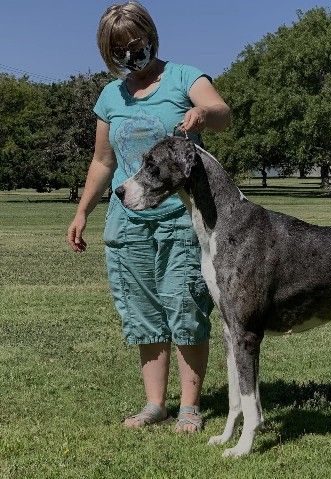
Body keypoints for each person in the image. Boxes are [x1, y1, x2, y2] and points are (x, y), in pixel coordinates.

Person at [66, 1, 230, 433]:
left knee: (186, 308)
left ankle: (190, 407)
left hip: (182, 221)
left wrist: (202, 114)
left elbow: (223, 114)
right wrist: (82, 211)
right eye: (117, 49)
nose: (128, 54)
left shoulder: (184, 77)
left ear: (150, 37)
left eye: (134, 44)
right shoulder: (111, 96)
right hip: (127, 225)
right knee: (143, 315)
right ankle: (155, 404)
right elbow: (103, 161)